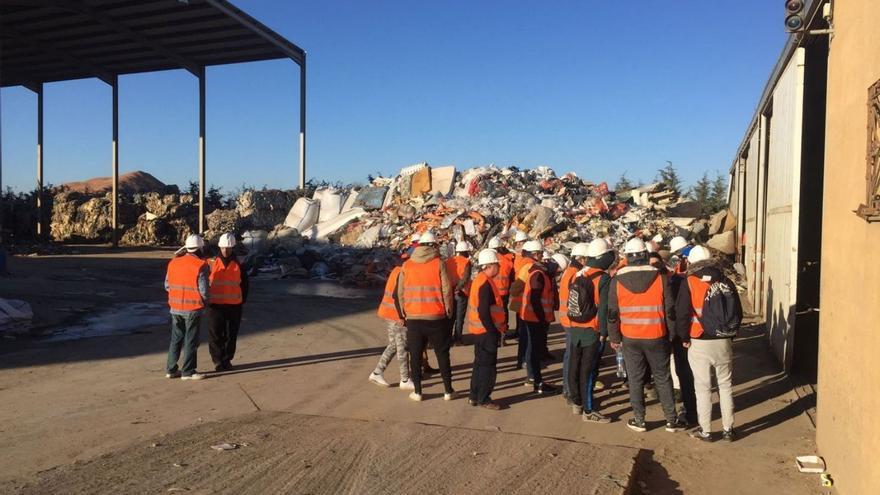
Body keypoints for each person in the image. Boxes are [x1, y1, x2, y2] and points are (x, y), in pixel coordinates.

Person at [608, 238, 686, 433]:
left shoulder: (617, 280)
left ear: (627, 257)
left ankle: (639, 420)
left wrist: (614, 338)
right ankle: (671, 420)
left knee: (635, 379)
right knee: (663, 377)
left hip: (630, 338)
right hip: (657, 335)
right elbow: (670, 310)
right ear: (645, 255)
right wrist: (671, 335)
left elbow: (612, 313)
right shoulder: (661, 277)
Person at [676, 246, 741, 442]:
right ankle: (728, 429)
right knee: (726, 385)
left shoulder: (690, 282)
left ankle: (706, 431)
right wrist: (731, 335)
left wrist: (684, 338)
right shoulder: (725, 280)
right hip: (723, 340)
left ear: (691, 262)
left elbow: (682, 314)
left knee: (703, 388)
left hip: (699, 340)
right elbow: (737, 311)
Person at [394, 231, 455, 401]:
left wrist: (404, 312)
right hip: (436, 316)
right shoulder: (438, 264)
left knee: (415, 354)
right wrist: (448, 309)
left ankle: (418, 392)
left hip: (414, 318)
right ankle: (448, 390)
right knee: (442, 354)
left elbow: (400, 293)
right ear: (434, 246)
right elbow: (446, 289)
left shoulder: (407, 265)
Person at [567, 238, 615, 423]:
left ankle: (576, 403)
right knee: (589, 371)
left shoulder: (578, 273)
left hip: (576, 327)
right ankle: (589, 410)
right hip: (592, 329)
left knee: (575, 366)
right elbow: (603, 308)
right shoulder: (602, 278)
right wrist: (604, 331)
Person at [164, 234, 210, 380]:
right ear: (199, 249)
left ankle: (171, 369)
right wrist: (206, 303)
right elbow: (204, 290)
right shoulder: (201, 265)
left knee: (176, 338)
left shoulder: (174, 263)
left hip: (175, 308)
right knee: (191, 340)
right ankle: (188, 371)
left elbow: (167, 285)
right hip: (193, 309)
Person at [516, 239, 559, 394]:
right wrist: (541, 318)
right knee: (532, 350)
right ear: (536, 254)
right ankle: (536, 381)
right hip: (534, 318)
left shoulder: (536, 271)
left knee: (532, 348)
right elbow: (535, 298)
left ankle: (536, 379)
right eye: (541, 254)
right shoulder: (537, 274)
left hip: (532, 316)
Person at [466, 249, 507, 410]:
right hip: (486, 332)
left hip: (480, 332)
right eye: (497, 264)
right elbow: (484, 312)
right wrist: (493, 332)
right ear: (489, 265)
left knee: (479, 365)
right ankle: (484, 398)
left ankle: (474, 396)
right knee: (487, 368)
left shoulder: (481, 280)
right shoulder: (485, 283)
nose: (498, 267)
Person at [370, 256, 415, 391]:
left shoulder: (396, 271)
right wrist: (402, 316)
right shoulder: (405, 273)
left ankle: (377, 372)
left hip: (388, 313)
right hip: (396, 316)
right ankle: (405, 379)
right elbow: (399, 296)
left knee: (394, 345)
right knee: (402, 347)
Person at [206, 233, 249, 372]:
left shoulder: (239, 264)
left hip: (234, 305)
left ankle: (227, 359)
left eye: (228, 248)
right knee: (216, 334)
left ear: (233, 248)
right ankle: (218, 361)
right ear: (219, 247)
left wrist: (242, 300)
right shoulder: (211, 263)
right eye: (224, 248)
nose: (226, 251)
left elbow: (245, 284)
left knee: (231, 334)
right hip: (215, 305)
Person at [559, 243, 587, 400]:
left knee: (569, 356)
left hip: (566, 318)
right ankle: (569, 390)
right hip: (571, 321)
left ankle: (567, 388)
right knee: (572, 357)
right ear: (582, 258)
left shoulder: (568, 271)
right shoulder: (575, 273)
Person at [488, 236, 515, 341]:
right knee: (503, 313)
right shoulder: (508, 261)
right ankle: (503, 333)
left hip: (492, 291)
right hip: (504, 291)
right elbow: (511, 277)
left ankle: (494, 334)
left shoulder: (490, 261)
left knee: (492, 313)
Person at [446, 241, 473, 344]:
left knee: (450, 317)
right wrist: (458, 288)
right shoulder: (466, 262)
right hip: (461, 292)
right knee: (459, 318)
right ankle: (457, 338)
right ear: (465, 251)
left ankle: (448, 337)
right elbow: (465, 278)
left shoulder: (449, 261)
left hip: (450, 292)